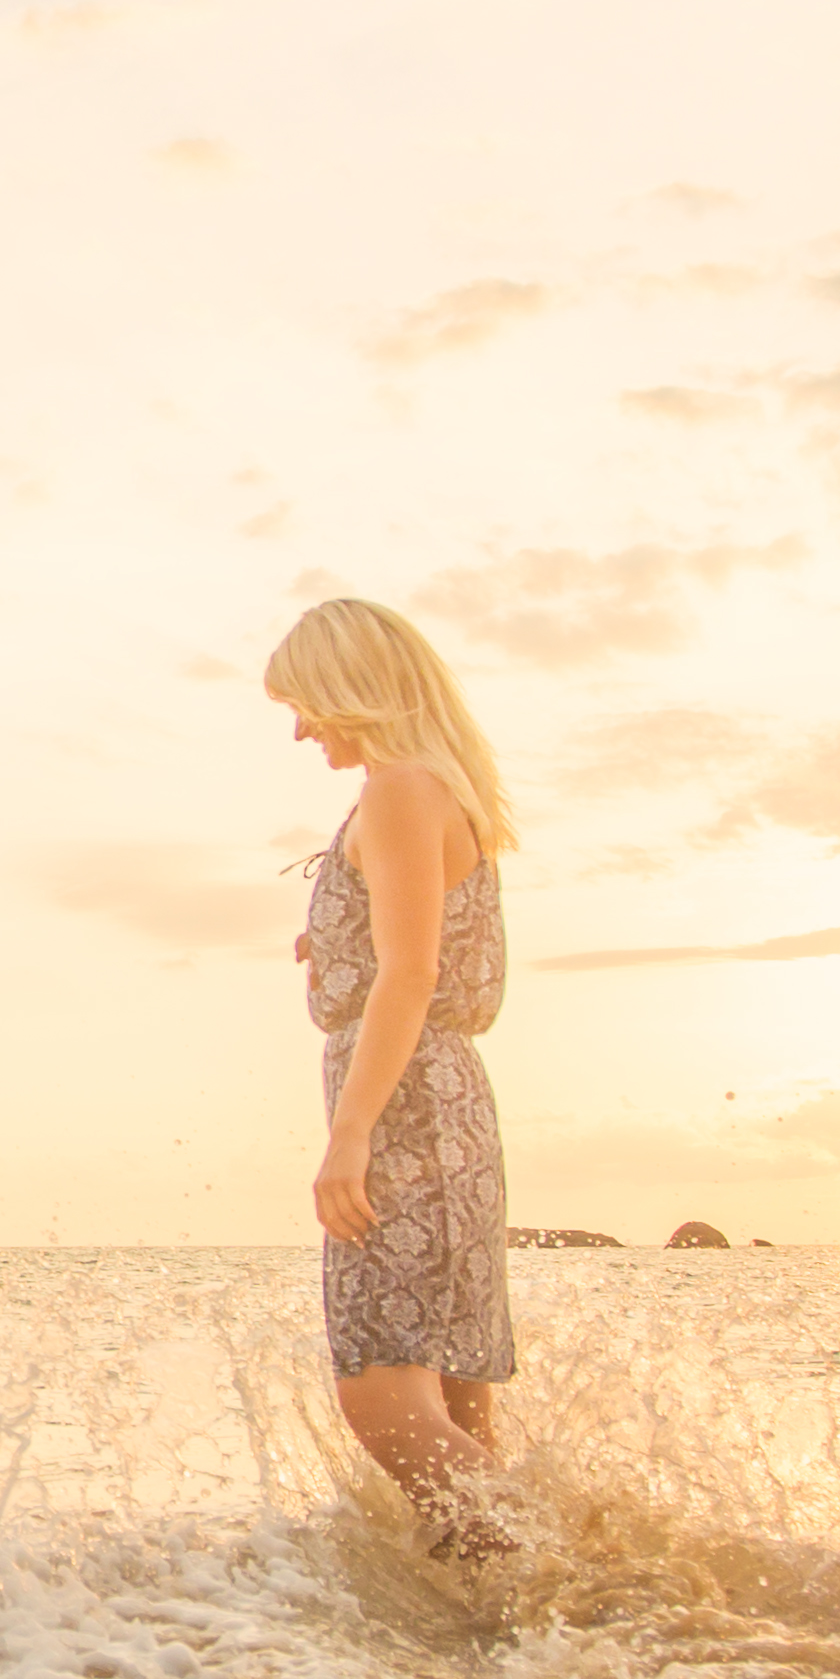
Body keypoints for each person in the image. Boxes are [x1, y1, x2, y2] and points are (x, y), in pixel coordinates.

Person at [270, 596, 518, 1535]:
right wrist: (331, 946)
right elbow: (422, 952)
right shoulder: (437, 787)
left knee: (380, 1393)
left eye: (307, 702)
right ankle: (520, 1634)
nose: (300, 728)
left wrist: (350, 1134)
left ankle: (583, 1575)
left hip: (406, 1108)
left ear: (354, 690)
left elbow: (412, 974)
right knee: (454, 1406)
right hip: (442, 1100)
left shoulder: (399, 786)